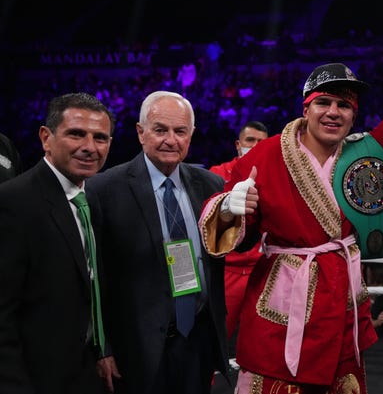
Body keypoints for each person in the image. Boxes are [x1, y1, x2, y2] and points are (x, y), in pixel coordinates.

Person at [197, 4, 383, 393]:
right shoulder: (266, 154)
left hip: (340, 303)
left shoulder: (365, 154)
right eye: (324, 102)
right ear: (306, 108)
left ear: (354, 115)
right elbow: (227, 227)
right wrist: (230, 209)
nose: (333, 112)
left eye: (344, 105)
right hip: (285, 304)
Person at [86, 91, 227, 394]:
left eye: (180, 132)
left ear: (191, 135)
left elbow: (229, 249)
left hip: (198, 341)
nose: (170, 140)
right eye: (160, 130)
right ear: (141, 132)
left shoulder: (211, 185)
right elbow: (93, 279)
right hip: (134, 349)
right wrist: (103, 348)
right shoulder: (104, 190)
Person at [0, 93, 114, 394]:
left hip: (87, 372)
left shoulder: (91, 200)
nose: (89, 147)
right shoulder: (13, 203)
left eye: (100, 138)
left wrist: (102, 349)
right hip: (37, 380)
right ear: (45, 138)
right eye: (76, 134)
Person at [209, 120, 269, 339]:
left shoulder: (273, 175)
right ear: (238, 144)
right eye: (249, 140)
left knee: (263, 341)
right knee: (215, 337)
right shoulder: (216, 174)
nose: (254, 145)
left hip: (261, 270)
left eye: (260, 142)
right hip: (227, 270)